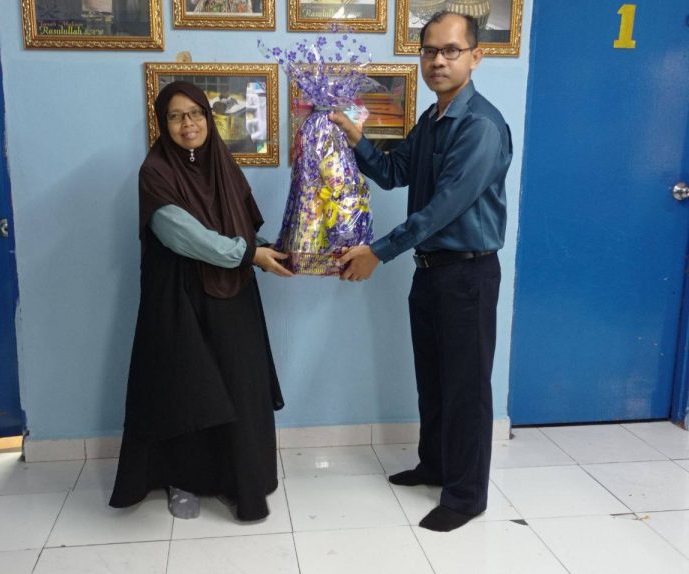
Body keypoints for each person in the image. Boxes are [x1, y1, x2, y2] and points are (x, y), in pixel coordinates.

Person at [329, 11, 512, 532]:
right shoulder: (433, 119)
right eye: (430, 50)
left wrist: (378, 252)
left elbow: (442, 210)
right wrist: (356, 138)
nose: (438, 61)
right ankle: (434, 465)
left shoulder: (480, 126)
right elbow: (394, 172)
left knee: (466, 389)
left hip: (467, 276)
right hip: (430, 272)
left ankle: (466, 496)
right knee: (433, 381)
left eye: (451, 50)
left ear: (476, 56)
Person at [110, 81, 292, 523]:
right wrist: (250, 255)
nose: (187, 124)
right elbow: (183, 236)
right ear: (163, 123)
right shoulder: (155, 172)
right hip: (180, 299)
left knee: (237, 388)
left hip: (233, 296)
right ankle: (183, 480)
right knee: (188, 390)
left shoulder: (224, 166)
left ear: (209, 118)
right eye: (175, 116)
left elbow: (243, 229)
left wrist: (282, 248)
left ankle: (235, 480)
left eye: (195, 113)